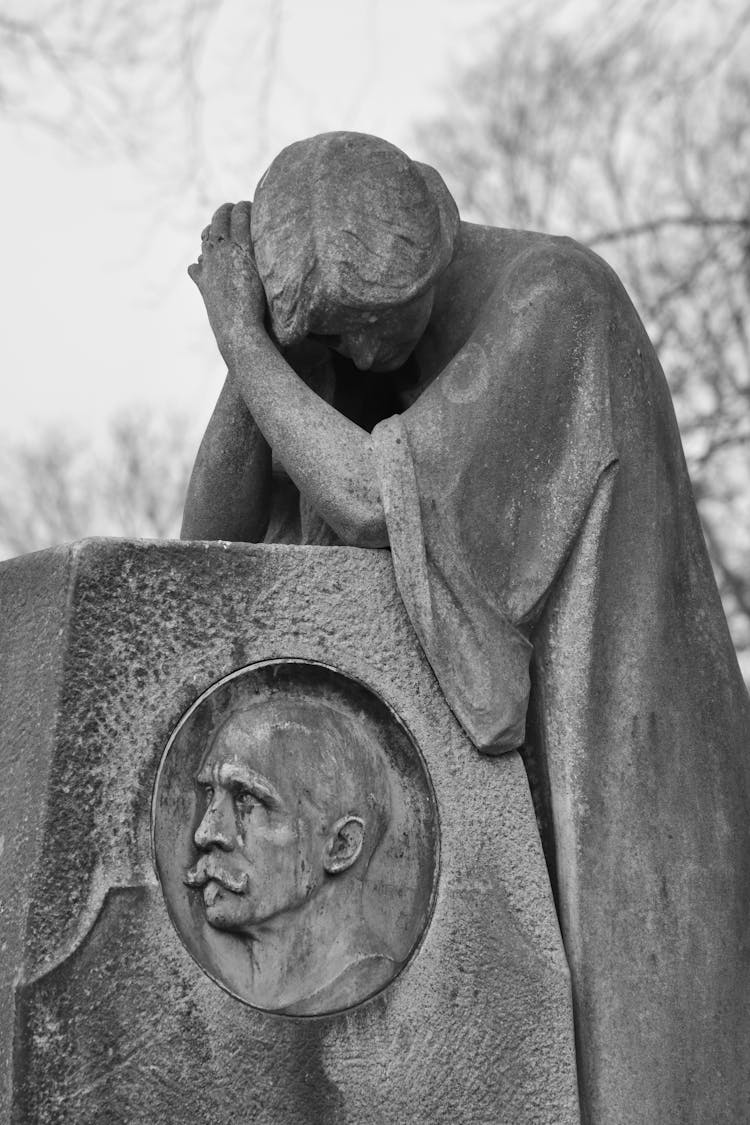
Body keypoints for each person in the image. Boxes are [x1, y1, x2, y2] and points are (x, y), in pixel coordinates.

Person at [182, 132, 750, 1120]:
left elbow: (371, 500)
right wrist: (264, 354)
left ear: (435, 250)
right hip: (509, 795)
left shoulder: (557, 303)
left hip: (625, 765)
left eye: (373, 328)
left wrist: (240, 337)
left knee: (642, 1076)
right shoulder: (353, 353)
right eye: (332, 335)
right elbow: (213, 548)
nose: (359, 357)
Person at [184, 697, 398, 1015]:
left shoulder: (358, 987)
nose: (205, 832)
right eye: (210, 793)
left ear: (342, 846)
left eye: (246, 798)